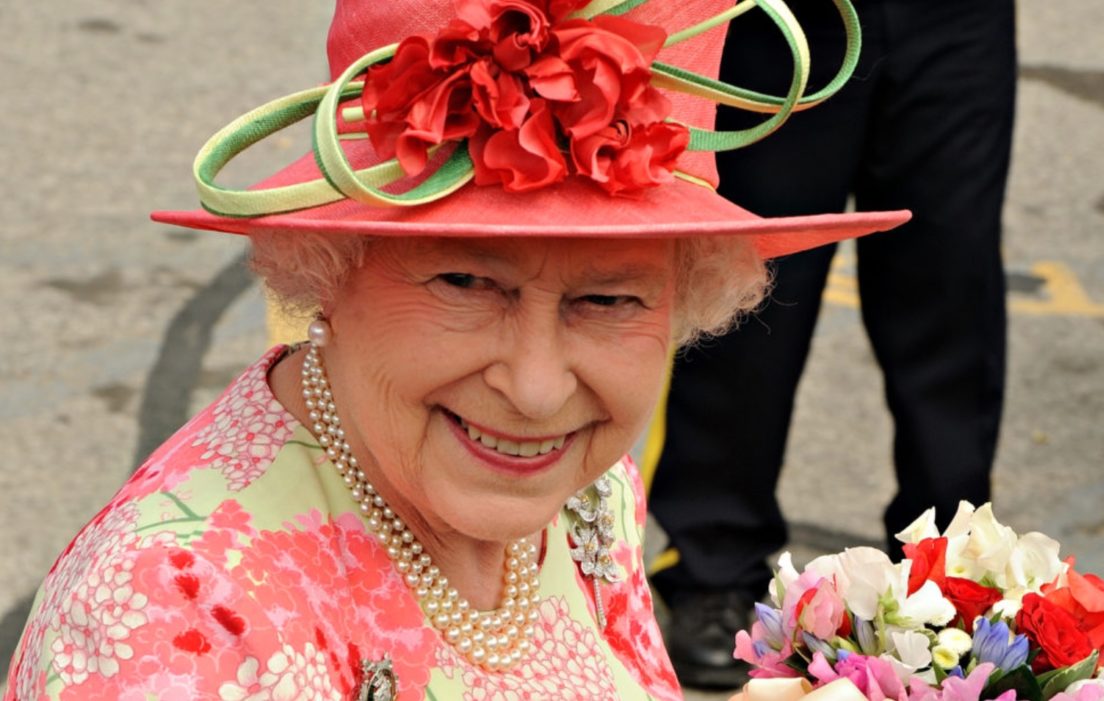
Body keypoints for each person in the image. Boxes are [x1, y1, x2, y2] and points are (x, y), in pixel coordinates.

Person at [4, 0, 908, 698]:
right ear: (330, 268)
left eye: (608, 299)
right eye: (467, 284)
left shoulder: (585, 482)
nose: (539, 388)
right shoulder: (184, 610)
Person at [648, 0, 1016, 689]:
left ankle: (949, 574)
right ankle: (712, 563)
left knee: (952, 279)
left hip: (959, 18)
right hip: (781, 17)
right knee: (747, 283)